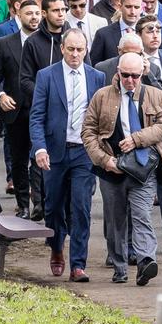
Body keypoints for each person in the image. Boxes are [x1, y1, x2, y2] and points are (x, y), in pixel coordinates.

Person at [82, 52, 162, 286]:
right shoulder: (102, 96)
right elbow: (88, 131)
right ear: (117, 72)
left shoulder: (154, 94)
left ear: (142, 74)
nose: (130, 80)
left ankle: (145, 261)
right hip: (112, 167)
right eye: (125, 75)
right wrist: (103, 160)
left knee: (142, 215)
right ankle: (119, 265)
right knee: (116, 219)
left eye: (135, 76)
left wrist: (137, 138)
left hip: (143, 166)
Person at [30, 28, 105, 280]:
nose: (75, 54)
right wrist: (40, 148)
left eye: (80, 49)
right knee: (52, 207)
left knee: (81, 207)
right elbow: (37, 116)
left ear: (86, 50)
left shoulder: (97, 77)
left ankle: (78, 264)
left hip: (84, 152)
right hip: (54, 151)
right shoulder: (46, 76)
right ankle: (56, 247)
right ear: (62, 48)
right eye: (70, 49)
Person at [0, 0, 42, 217]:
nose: (34, 17)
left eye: (37, 13)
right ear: (18, 15)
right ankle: (23, 205)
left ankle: (39, 202)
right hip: (15, 110)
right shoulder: (5, 42)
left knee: (40, 157)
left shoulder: (49, 43)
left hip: (41, 109)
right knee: (19, 160)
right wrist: (0, 95)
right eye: (29, 14)